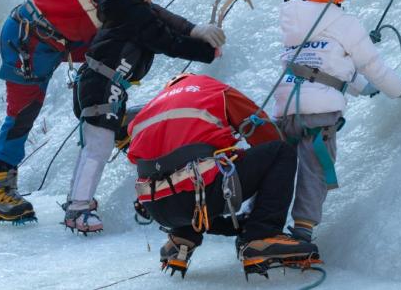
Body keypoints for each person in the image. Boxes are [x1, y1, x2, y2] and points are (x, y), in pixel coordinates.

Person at [0, 0, 226, 224]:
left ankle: (112, 125)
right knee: (24, 110)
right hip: (30, 39)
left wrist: (193, 30)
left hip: (59, 38)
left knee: (112, 64)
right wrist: (194, 38)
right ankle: (2, 186)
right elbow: (149, 23)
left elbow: (147, 13)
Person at [65, 0, 218, 233]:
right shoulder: (133, 13)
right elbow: (166, 40)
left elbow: (163, 19)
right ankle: (78, 207)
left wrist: (195, 31)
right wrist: (207, 52)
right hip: (102, 86)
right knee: (98, 147)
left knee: (96, 145)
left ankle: (78, 200)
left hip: (99, 84)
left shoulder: (126, 8)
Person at [273, 0, 401, 244]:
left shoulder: (292, 18)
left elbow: (324, 60)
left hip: (285, 106)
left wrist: (362, 87)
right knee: (314, 168)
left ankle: (260, 226)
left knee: (277, 167)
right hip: (320, 111)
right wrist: (400, 88)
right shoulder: (345, 22)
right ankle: (302, 232)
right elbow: (373, 67)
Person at [126, 73, 319, 279]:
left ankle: (182, 239)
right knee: (280, 152)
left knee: (190, 175)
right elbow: (266, 135)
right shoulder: (213, 90)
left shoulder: (148, 109)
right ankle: (261, 235)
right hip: (200, 195)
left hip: (157, 208)